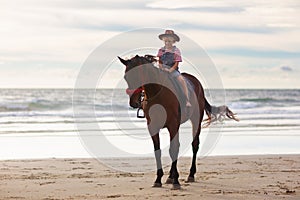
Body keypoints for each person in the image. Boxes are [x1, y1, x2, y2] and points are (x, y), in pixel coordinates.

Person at [157, 30, 191, 107]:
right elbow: (160, 61)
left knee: (181, 80)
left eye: (169, 41)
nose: (167, 43)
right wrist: (161, 68)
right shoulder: (161, 50)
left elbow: (176, 63)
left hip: (173, 71)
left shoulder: (176, 50)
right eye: (166, 41)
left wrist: (169, 70)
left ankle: (186, 100)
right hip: (162, 70)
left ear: (173, 41)